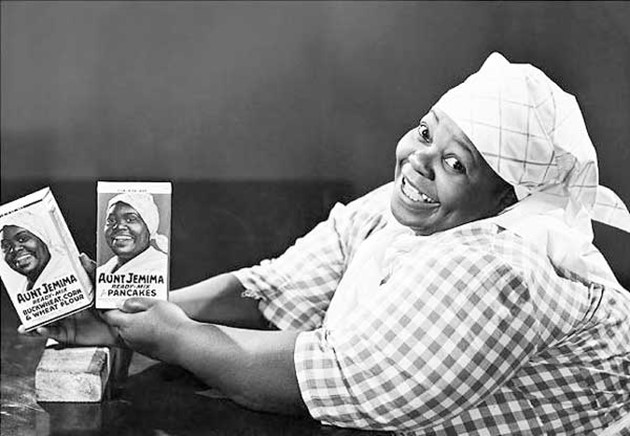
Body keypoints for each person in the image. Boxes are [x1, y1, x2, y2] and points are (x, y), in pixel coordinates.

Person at [23, 53, 630, 434]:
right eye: (426, 133)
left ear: (508, 202)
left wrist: (173, 337)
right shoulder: (402, 212)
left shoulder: (500, 272)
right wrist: (129, 311)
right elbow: (274, 289)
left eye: (455, 164)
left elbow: (331, 379)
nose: (418, 162)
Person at [97, 192, 168, 277]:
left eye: (130, 219)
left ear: (149, 226)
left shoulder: (162, 268)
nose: (119, 226)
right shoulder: (103, 270)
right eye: (111, 220)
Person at [0, 211, 65, 292]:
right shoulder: (23, 289)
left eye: (22, 239)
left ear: (43, 238)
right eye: (6, 246)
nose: (15, 249)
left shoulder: (67, 271)